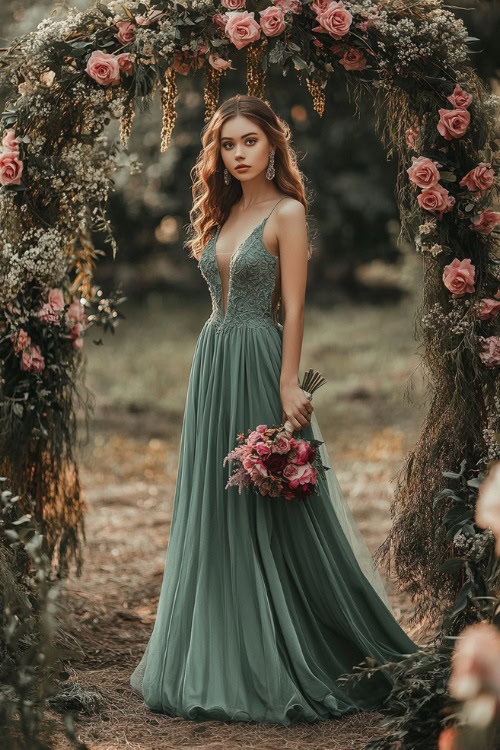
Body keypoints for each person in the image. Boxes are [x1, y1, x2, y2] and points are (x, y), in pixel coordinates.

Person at [130, 94, 418, 725]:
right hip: (212, 361)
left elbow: (293, 309)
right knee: (217, 498)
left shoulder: (288, 213)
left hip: (260, 358)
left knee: (269, 494)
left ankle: (298, 643)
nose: (238, 154)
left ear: (272, 145)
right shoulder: (223, 211)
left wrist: (290, 382)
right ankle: (223, 641)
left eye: (249, 142)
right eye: (228, 144)